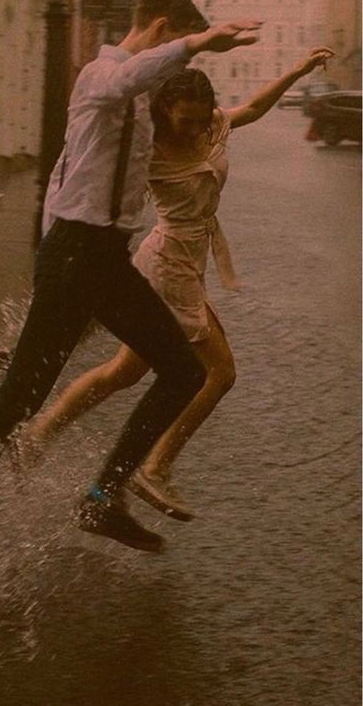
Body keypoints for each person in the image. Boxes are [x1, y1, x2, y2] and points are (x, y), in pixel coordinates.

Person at [0, 0, 262, 616]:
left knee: (183, 370)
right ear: (161, 29)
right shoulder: (100, 76)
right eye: (176, 46)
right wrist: (197, 44)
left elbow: (64, 173)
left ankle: (102, 498)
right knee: (18, 400)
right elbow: (122, 83)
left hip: (100, 257)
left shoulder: (137, 104)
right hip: (78, 257)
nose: (175, 71)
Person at [20, 47, 335, 522]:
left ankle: (40, 432)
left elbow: (252, 108)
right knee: (219, 373)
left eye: (200, 119)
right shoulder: (147, 148)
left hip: (186, 261)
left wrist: (297, 69)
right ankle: (156, 466)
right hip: (169, 266)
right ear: (166, 110)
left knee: (125, 372)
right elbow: (89, 173)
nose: (193, 129)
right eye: (185, 120)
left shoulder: (212, 126)